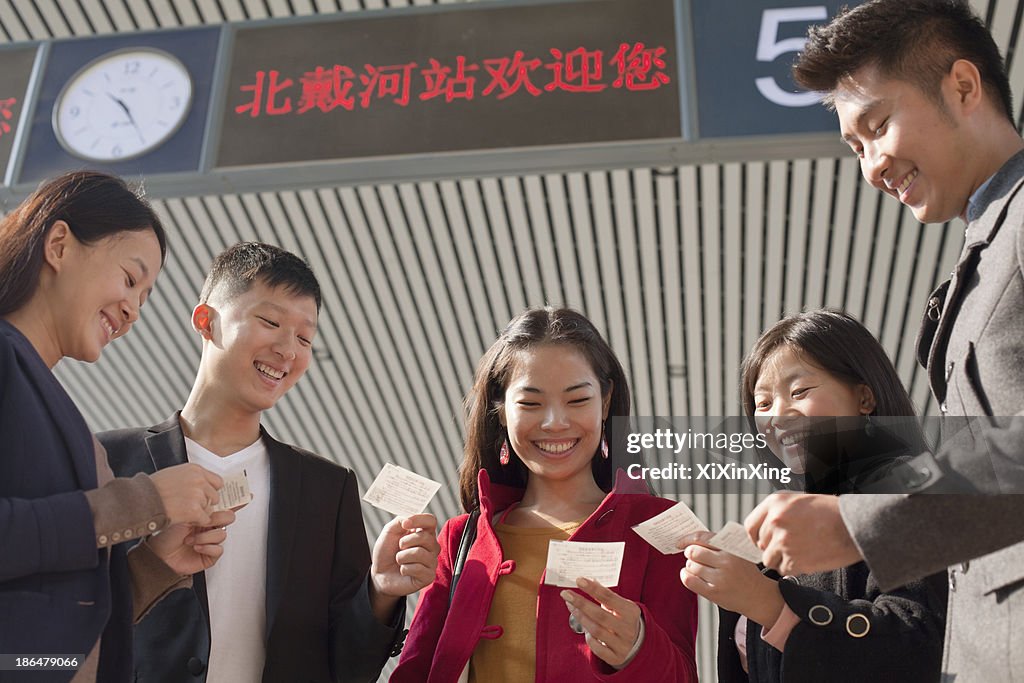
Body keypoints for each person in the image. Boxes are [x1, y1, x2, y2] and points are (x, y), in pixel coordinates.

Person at [743, 1, 1024, 679]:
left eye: (877, 126)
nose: (871, 166)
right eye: (855, 147)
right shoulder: (985, 250)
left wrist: (861, 522)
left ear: (963, 85)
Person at [101, 241, 440, 683]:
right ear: (206, 321)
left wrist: (380, 593)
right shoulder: (107, 461)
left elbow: (347, 666)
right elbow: (65, 622)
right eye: (270, 321)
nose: (288, 349)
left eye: (305, 337)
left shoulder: (326, 488)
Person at [0, 171, 231, 683]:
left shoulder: (69, 421)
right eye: (130, 279)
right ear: (59, 244)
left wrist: (154, 565)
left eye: (145, 299)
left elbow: (61, 624)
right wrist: (142, 504)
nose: (132, 310)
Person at [391, 307, 698, 683]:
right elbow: (414, 672)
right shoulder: (460, 540)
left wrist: (638, 648)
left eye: (577, 400)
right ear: (501, 410)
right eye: (531, 403)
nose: (555, 422)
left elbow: (684, 674)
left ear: (605, 401)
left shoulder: (657, 528)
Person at [680, 310, 946, 682]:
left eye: (799, 392)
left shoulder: (906, 486)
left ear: (864, 397)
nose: (778, 416)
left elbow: (919, 643)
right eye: (763, 403)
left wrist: (769, 604)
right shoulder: (788, 528)